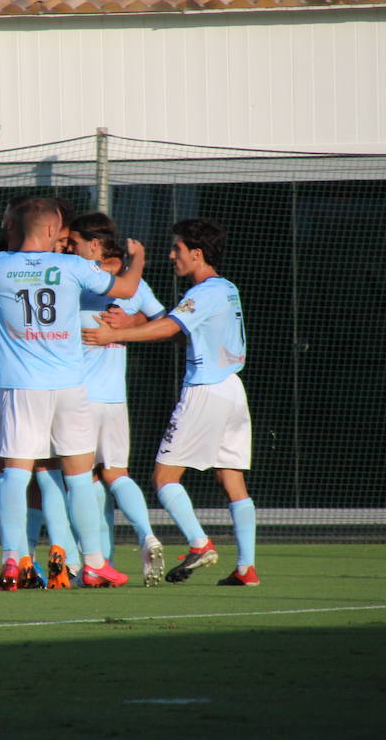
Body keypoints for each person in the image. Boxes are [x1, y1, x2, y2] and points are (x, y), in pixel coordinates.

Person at [0, 197, 146, 589]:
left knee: (15, 476)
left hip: (22, 388)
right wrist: (138, 256)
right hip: (69, 387)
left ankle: (14, 560)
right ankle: (96, 563)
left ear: (16, 227)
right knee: (79, 478)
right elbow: (128, 286)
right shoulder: (74, 267)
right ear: (52, 230)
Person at [84, 219, 257, 587]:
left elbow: (170, 328)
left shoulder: (206, 292)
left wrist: (116, 333)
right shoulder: (227, 289)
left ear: (197, 254)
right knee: (232, 479)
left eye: (177, 249)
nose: (171, 255)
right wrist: (134, 322)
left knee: (164, 478)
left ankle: (199, 543)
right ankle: (246, 568)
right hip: (232, 389)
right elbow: (183, 334)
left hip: (205, 389)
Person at [69, 212, 169, 587]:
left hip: (77, 397)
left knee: (80, 479)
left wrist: (129, 325)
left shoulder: (73, 279)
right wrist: (135, 324)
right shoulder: (133, 283)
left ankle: (87, 564)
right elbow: (167, 324)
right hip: (114, 399)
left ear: (93, 244)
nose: (67, 248)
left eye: (72, 242)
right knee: (115, 474)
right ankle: (145, 535)